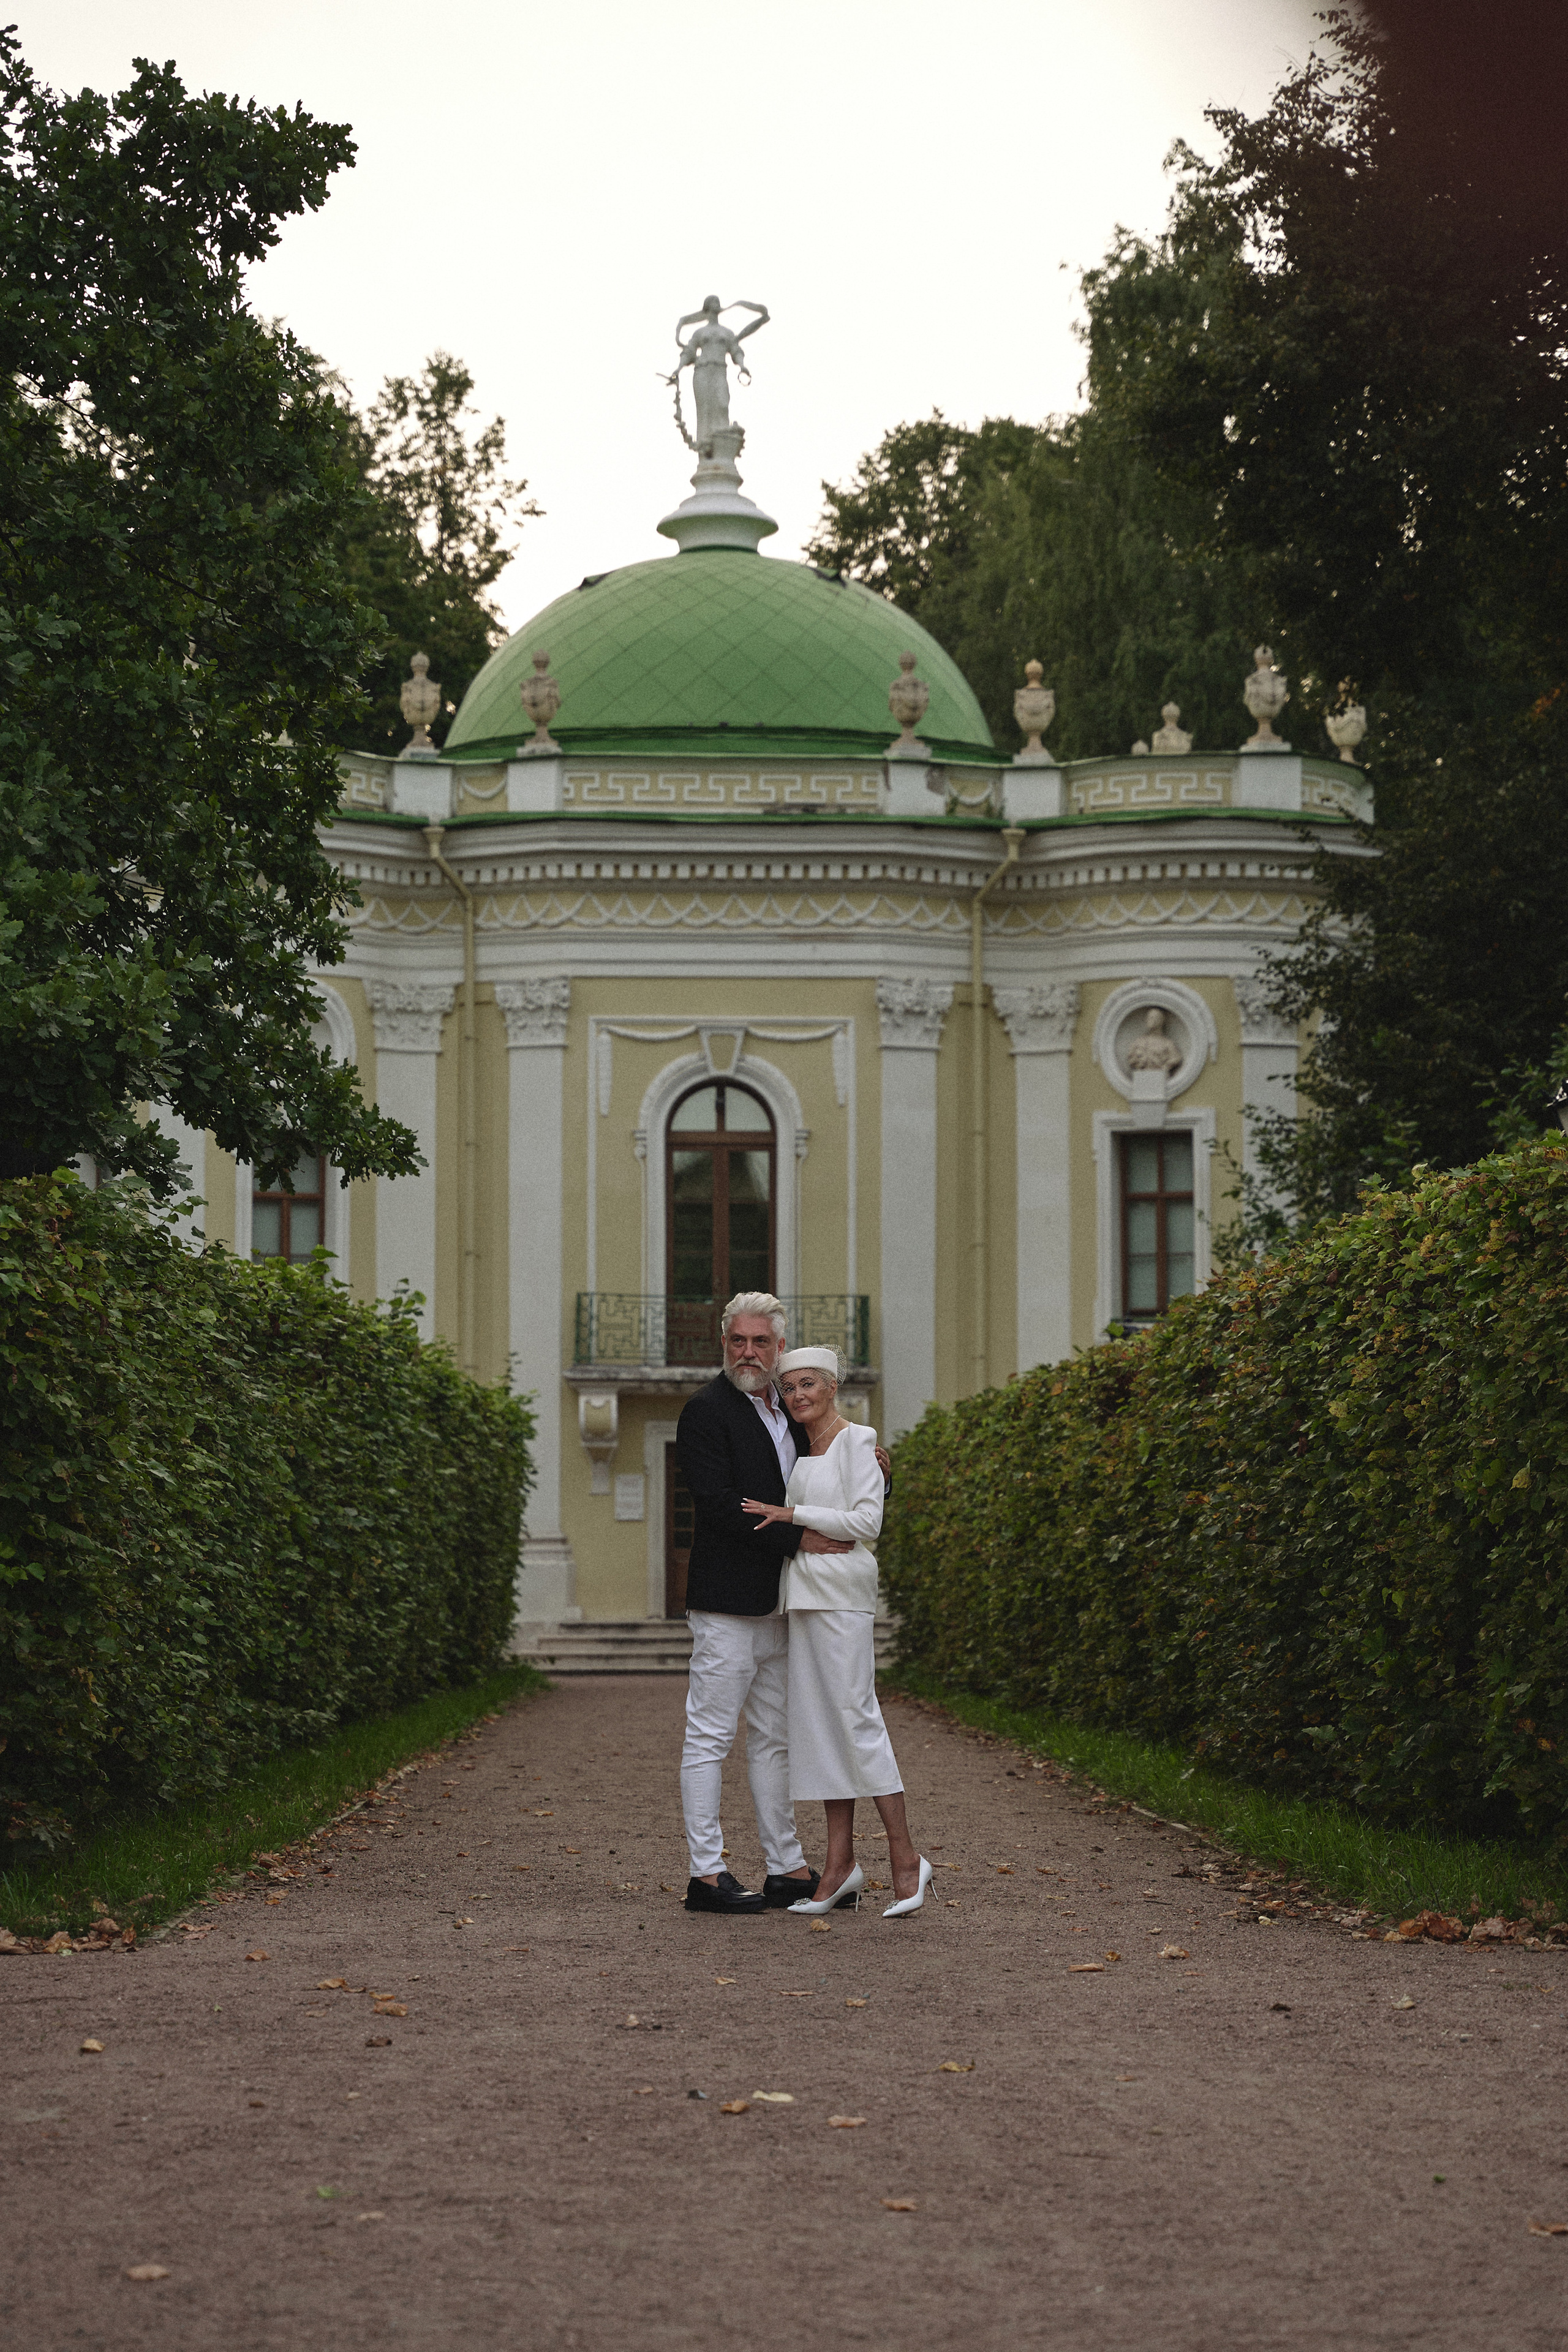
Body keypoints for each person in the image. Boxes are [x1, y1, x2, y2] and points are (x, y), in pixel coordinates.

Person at [742, 1348, 932, 1919]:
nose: (799, 1396)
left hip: (844, 1597)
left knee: (857, 1717)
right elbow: (839, 1506)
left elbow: (866, 1524)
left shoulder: (858, 1438)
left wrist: (793, 1514)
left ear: (831, 1387)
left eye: (808, 1385)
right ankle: (840, 1866)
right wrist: (798, 1514)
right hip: (804, 1596)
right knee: (820, 1727)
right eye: (789, 1388)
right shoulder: (803, 1450)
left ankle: (906, 1857)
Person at [673, 1291, 844, 1915]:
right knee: (709, 1737)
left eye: (760, 1342)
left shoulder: (790, 1414)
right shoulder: (704, 1412)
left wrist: (874, 1465)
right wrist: (800, 1538)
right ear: (724, 1344)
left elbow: (830, 1474)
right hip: (725, 1604)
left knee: (775, 1740)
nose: (748, 1352)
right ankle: (706, 1873)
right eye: (737, 1341)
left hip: (783, 1602)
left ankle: (785, 1868)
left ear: (779, 1347)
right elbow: (719, 1507)